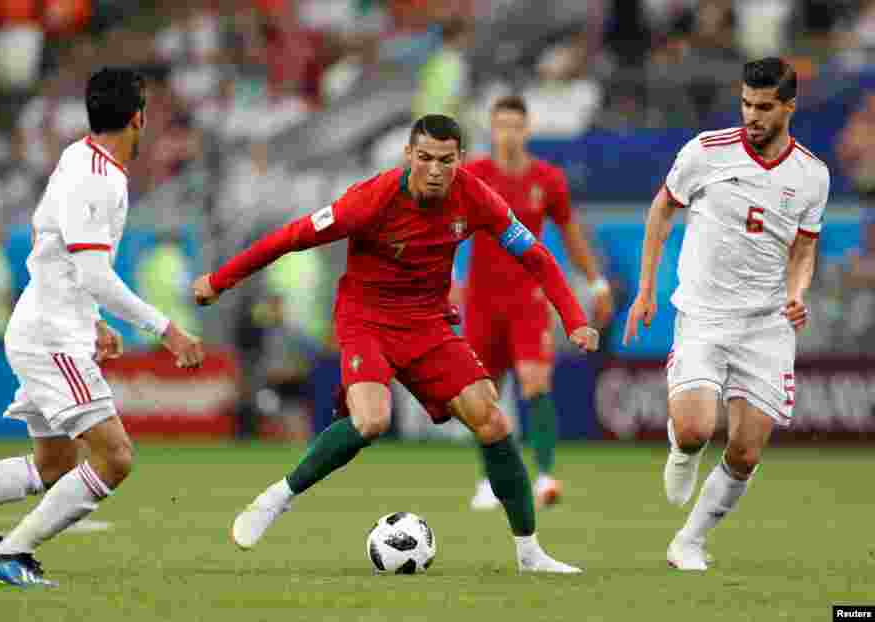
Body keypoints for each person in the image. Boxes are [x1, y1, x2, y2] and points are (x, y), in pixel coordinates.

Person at [193, 114, 600, 574]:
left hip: (427, 322)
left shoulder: (476, 197)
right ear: (408, 155)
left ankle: (530, 554)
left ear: (459, 161)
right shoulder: (371, 200)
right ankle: (279, 497)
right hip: (366, 316)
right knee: (371, 419)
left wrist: (574, 319)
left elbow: (536, 256)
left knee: (491, 418)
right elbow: (290, 237)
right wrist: (220, 280)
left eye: (445, 160)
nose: (434, 169)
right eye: (424, 157)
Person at [0, 67, 204, 587]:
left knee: (54, 463)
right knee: (116, 457)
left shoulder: (80, 159)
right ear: (137, 118)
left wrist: (92, 317)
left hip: (52, 326)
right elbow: (95, 273)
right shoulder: (93, 177)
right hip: (52, 338)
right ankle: (12, 551)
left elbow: (45, 233)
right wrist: (166, 330)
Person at [623, 58, 829, 571]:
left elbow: (804, 251)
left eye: (763, 107)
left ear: (789, 108)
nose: (752, 116)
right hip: (704, 314)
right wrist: (646, 288)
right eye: (745, 104)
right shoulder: (704, 153)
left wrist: (798, 291)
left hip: (767, 325)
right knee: (695, 429)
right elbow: (662, 210)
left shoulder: (812, 176)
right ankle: (681, 447)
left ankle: (689, 541)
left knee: (745, 452)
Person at [460, 95, 614, 512]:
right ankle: (490, 481)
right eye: (501, 125)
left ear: (526, 130)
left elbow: (570, 235)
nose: (508, 133)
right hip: (479, 299)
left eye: (515, 125)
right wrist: (447, 280)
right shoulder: (472, 175)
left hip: (527, 299)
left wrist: (597, 283)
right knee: (482, 397)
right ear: (491, 130)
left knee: (535, 383)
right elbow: (446, 228)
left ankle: (545, 476)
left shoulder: (547, 179)